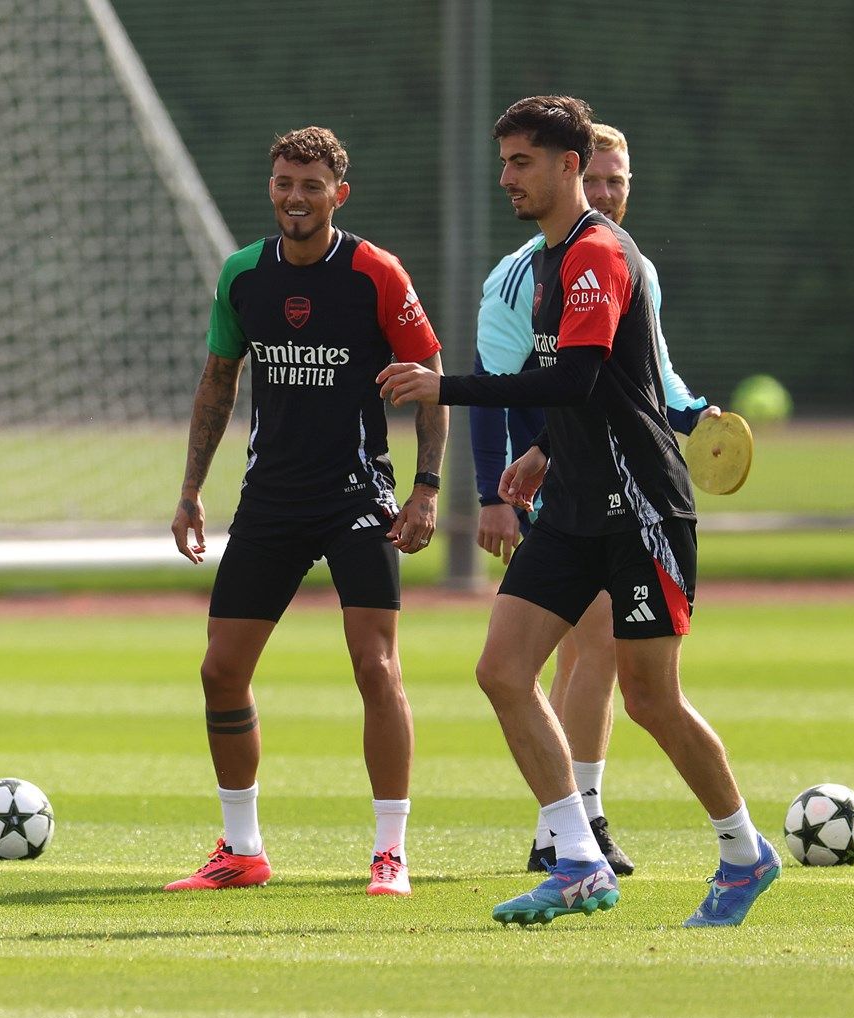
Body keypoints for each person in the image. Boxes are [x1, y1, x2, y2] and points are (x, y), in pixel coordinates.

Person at [380, 95, 779, 927]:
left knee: (650, 699)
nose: (506, 178)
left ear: (569, 168)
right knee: (501, 670)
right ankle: (578, 861)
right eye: (505, 162)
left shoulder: (597, 256)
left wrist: (441, 386)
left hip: (640, 508)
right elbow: (588, 390)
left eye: (521, 162)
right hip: (571, 507)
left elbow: (578, 378)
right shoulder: (549, 263)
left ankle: (744, 854)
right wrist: (544, 452)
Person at [168, 128, 447, 898]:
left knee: (375, 667)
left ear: (338, 194)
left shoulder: (374, 274)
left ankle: (390, 852)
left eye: (311, 185)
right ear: (272, 187)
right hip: (272, 501)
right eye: (285, 182)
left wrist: (425, 489)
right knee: (221, 670)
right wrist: (191, 490)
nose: (296, 197)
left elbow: (430, 377)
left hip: (357, 498)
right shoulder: (243, 275)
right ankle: (242, 848)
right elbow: (218, 382)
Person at [470, 122, 721, 877]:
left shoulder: (624, 263)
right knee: (588, 651)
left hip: (606, 479)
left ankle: (570, 828)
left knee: (589, 655)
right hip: (561, 490)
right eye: (602, 179)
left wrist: (693, 416)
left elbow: (649, 382)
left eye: (622, 181)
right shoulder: (520, 275)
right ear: (577, 173)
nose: (611, 193)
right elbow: (493, 391)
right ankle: (580, 822)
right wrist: (495, 492)